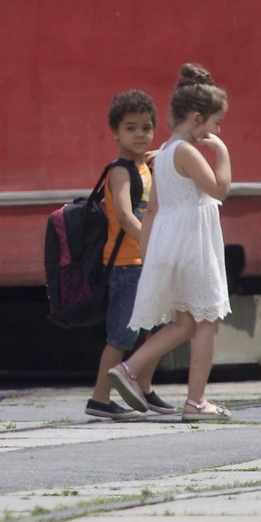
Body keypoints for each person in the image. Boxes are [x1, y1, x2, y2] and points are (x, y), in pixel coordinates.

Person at [101, 66, 238, 420]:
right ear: (197, 117)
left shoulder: (162, 152)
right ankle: (196, 401)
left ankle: (129, 369)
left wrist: (151, 253)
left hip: (172, 243)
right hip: (195, 245)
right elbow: (220, 190)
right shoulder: (186, 153)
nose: (218, 131)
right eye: (216, 124)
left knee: (186, 322)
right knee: (208, 321)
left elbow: (153, 210)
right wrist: (222, 151)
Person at [84, 89, 165, 419]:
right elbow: (125, 213)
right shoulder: (119, 170)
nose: (140, 134)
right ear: (115, 132)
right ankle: (100, 399)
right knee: (120, 335)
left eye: (146, 127)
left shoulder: (145, 166)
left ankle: (144, 388)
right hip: (126, 264)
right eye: (130, 128)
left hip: (145, 260)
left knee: (156, 327)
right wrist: (151, 242)